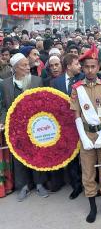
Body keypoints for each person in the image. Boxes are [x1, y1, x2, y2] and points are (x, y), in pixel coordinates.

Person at [70, 45, 101, 223]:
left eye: (93, 66)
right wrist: (82, 136)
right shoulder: (77, 88)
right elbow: (76, 114)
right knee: (88, 173)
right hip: (86, 136)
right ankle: (93, 208)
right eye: (87, 66)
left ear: (98, 67)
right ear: (82, 68)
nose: (90, 70)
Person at [1, 53, 46, 202]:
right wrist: (4, 120)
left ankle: (39, 184)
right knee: (19, 156)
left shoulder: (36, 81)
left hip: (34, 127)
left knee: (36, 154)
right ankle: (23, 186)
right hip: (15, 127)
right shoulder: (5, 84)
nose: (28, 68)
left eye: (28, 64)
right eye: (24, 65)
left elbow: (43, 103)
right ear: (14, 68)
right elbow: (2, 106)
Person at [50, 53, 84, 199]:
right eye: (77, 64)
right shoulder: (56, 83)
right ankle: (76, 185)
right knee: (70, 156)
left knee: (83, 156)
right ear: (69, 66)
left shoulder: (82, 79)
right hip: (63, 126)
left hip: (81, 123)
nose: (80, 67)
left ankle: (87, 182)